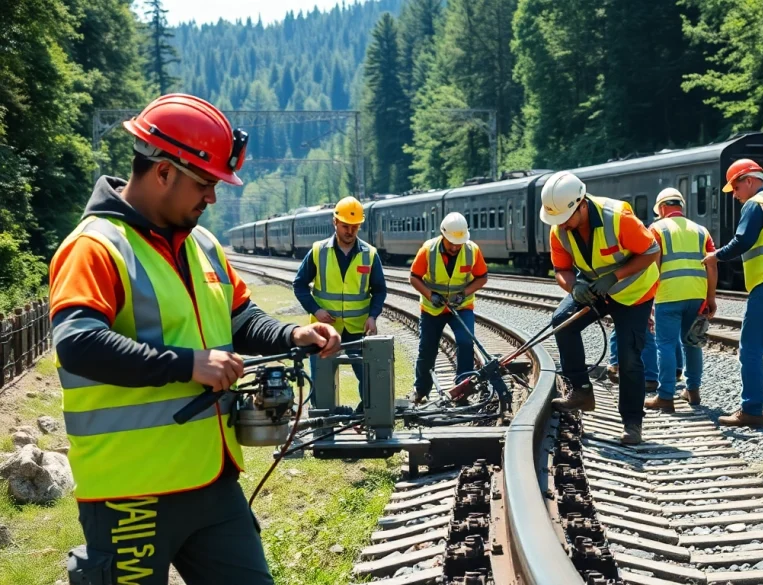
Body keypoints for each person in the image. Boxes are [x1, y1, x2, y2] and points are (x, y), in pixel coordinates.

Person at [49, 93, 342, 585]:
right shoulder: (93, 247)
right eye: (205, 183)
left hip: (212, 483)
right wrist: (189, 364)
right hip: (131, 492)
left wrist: (293, 332)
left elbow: (240, 317)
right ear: (163, 171)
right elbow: (78, 343)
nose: (212, 197)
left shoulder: (203, 245)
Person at [541, 171, 661, 445]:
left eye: (565, 219)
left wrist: (614, 277)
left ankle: (632, 423)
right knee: (563, 322)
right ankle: (581, 390)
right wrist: (573, 287)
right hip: (594, 289)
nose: (561, 225)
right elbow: (561, 269)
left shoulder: (618, 218)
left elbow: (651, 251)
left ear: (581, 204)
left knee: (629, 357)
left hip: (634, 293)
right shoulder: (560, 227)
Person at [703, 159, 763, 428]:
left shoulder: (757, 204)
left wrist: (716, 257)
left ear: (749, 180)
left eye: (735, 187)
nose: (734, 195)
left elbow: (743, 240)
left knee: (750, 348)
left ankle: (751, 410)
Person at [292, 196, 387, 407]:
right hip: (324, 330)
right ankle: (323, 420)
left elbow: (379, 290)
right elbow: (299, 285)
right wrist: (316, 311)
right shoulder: (318, 251)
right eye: (345, 226)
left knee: (368, 378)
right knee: (320, 380)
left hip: (357, 328)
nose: (350, 231)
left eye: (355, 227)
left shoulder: (370, 255)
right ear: (334, 222)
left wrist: (373, 316)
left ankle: (366, 416)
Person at [643, 188, 717, 413]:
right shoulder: (701, 230)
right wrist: (710, 297)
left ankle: (665, 397)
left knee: (665, 344)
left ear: (662, 208)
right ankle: (693, 391)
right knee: (692, 343)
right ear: (680, 207)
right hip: (696, 294)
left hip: (668, 295)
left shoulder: (656, 229)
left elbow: (652, 266)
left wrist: (648, 300)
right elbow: (712, 265)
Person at [408, 212, 488, 402]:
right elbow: (413, 277)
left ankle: (462, 391)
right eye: (451, 242)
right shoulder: (428, 250)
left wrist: (464, 294)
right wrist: (430, 295)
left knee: (466, 342)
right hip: (432, 309)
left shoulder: (472, 250)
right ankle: (421, 391)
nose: (454, 247)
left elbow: (482, 277)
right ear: (443, 235)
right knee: (427, 349)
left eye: (458, 243)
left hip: (461, 307)